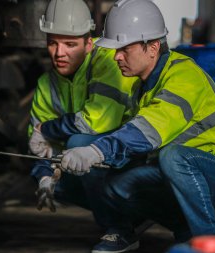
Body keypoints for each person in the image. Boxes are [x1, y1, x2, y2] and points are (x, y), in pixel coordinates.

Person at [34, 0, 215, 252]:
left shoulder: (184, 75)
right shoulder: (141, 86)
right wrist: (63, 162)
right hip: (187, 173)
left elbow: (147, 130)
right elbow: (130, 142)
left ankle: (213, 242)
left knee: (173, 157)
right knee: (118, 186)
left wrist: (95, 151)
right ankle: (182, 231)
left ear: (152, 48)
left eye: (124, 49)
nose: (116, 56)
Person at [27, 0, 140, 246]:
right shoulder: (46, 84)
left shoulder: (109, 62)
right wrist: (44, 175)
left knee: (79, 143)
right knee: (57, 182)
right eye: (52, 43)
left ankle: (121, 229)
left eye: (70, 44)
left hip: (132, 154)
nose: (59, 53)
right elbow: (39, 145)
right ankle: (129, 216)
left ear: (89, 44)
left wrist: (46, 129)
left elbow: (94, 122)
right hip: (99, 161)